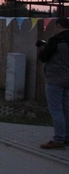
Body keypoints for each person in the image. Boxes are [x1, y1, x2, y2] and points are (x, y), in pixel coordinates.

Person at [37, 17, 69, 149]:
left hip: (55, 79)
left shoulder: (56, 40)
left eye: (56, 26)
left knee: (56, 109)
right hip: (68, 79)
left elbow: (44, 57)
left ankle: (59, 139)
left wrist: (42, 48)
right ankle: (67, 137)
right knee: (67, 108)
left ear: (59, 26)